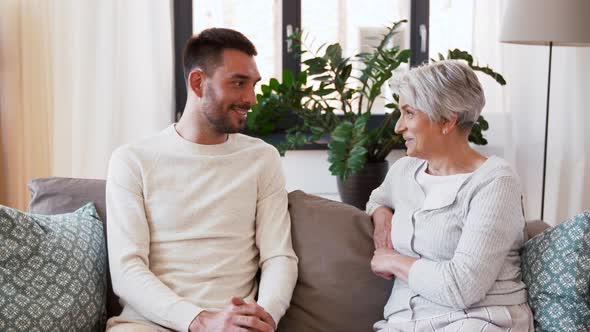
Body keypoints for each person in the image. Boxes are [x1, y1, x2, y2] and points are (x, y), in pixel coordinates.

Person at [105, 28, 298, 332]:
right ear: (198, 82)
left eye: (253, 85)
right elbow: (127, 269)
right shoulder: (132, 161)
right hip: (149, 325)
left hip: (235, 324)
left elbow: (278, 256)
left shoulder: (262, 159)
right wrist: (200, 321)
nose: (251, 98)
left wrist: (265, 317)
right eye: (238, 83)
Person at [367, 60, 534, 331]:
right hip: (404, 323)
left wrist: (392, 260)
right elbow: (377, 198)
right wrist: (381, 215)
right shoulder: (404, 171)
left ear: (446, 119)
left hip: (480, 319)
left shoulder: (495, 182)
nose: (398, 127)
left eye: (409, 113)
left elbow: (462, 286)